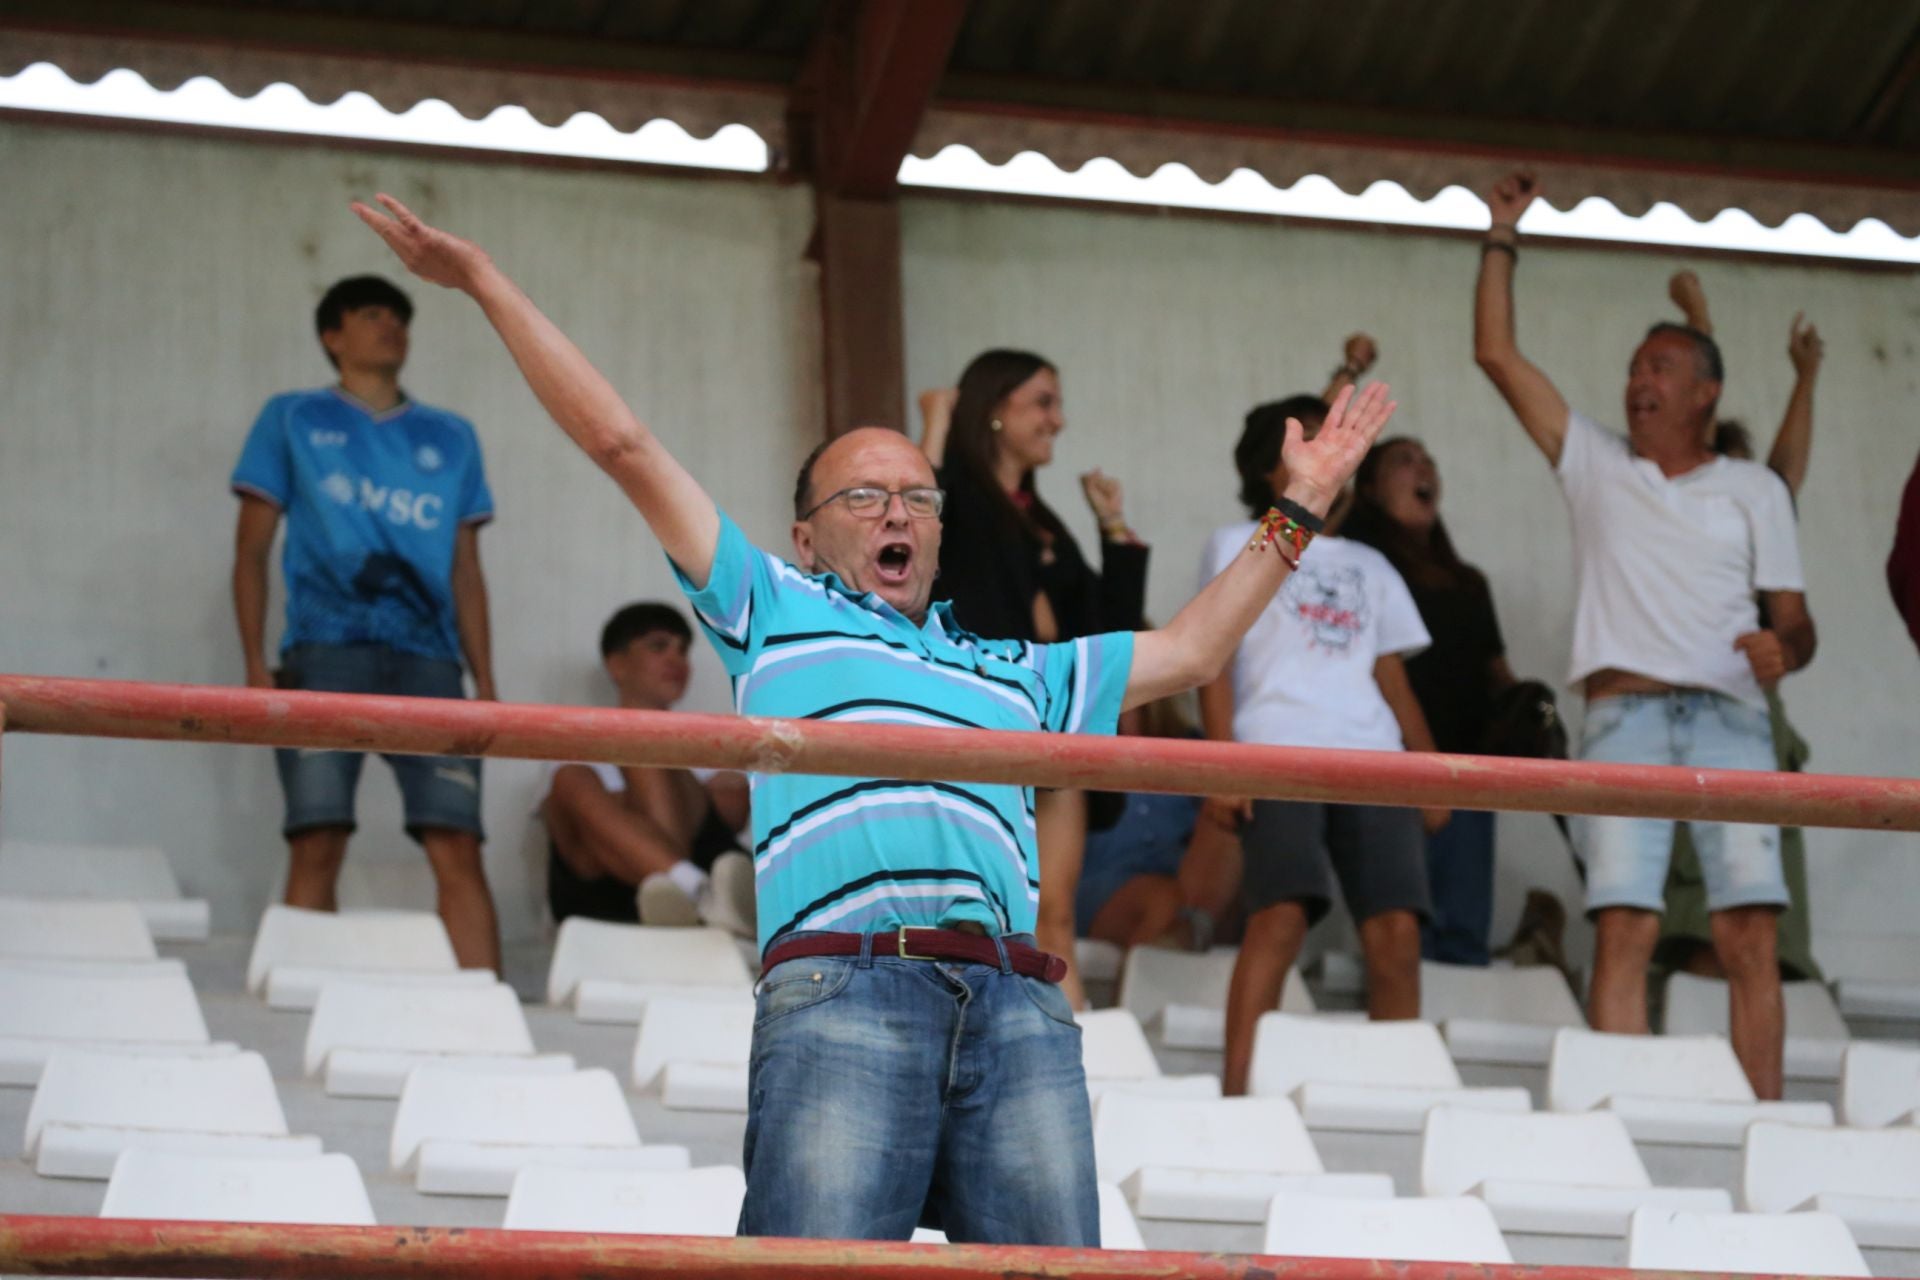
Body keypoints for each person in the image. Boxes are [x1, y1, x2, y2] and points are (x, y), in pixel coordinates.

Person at [353, 188, 1394, 1245]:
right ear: (804, 537)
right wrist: (484, 281)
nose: (898, 509)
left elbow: (1191, 650)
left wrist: (1300, 503)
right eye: (864, 495)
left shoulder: (1014, 668)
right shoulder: (771, 611)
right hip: (845, 983)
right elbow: (622, 443)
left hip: (1015, 1000)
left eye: (920, 495)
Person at [1473, 172, 1816, 1099]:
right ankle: (1612, 1116)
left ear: (1707, 391)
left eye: (1658, 366)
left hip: (1734, 721)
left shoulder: (1754, 489)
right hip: (1621, 716)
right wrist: (1502, 233)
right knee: (1623, 923)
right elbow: (1498, 354)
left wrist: (1789, 649)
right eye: (1633, 366)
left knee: (1749, 933)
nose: (1636, 381)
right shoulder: (1594, 463)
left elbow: (1795, 622)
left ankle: (1767, 1122)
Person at [230, 274, 501, 971]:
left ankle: (487, 1017)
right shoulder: (290, 417)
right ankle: (296, 1013)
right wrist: (256, 665)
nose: (392, 326)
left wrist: (487, 681)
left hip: (431, 664)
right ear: (333, 334)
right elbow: (251, 549)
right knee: (316, 837)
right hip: (324, 652)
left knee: (457, 841)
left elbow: (466, 569)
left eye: (400, 316)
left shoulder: (452, 434)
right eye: (373, 313)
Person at [1211, 393, 1447, 1097]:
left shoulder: (1371, 563)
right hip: (1273, 751)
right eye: (1306, 442)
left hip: (1373, 759)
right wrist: (1220, 762)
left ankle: (1396, 1101)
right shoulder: (1236, 543)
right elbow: (1212, 656)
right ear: (1265, 466)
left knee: (1397, 934)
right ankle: (1237, 1095)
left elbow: (1391, 676)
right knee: (1280, 916)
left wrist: (1435, 773)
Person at [916, 355, 1148, 1007]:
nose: (1058, 420)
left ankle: (1068, 1051)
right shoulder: (956, 497)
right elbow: (910, 525)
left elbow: (1108, 633)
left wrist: (1113, 530)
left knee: (1056, 914)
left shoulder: (1041, 519)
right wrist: (935, 423)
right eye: (1042, 403)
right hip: (971, 720)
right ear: (994, 409)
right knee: (968, 913)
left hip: (1048, 726)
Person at [1658, 272, 1827, 983]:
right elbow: (1694, 403)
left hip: (1748, 700)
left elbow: (1782, 472)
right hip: (1675, 696)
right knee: (1698, 884)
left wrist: (1807, 377)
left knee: (1760, 882)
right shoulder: (1657, 493)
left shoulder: (1757, 504)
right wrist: (1701, 321)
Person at [1342, 369, 1517, 967]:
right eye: (1404, 461)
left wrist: (1525, 717)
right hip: (1389, 759)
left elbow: (1497, 671)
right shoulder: (1359, 566)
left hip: (1467, 764)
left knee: (1462, 925)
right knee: (1399, 919)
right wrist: (1344, 382)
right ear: (1367, 488)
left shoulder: (1469, 583)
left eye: (1428, 461)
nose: (1424, 470)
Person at [541, 601, 754, 936]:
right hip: (602, 898)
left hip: (685, 862)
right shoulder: (576, 756)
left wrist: (626, 806)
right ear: (616, 665)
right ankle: (697, 891)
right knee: (569, 781)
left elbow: (733, 809)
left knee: (645, 747)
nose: (677, 660)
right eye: (658, 646)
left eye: (683, 651)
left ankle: (685, 886)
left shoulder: (708, 752)